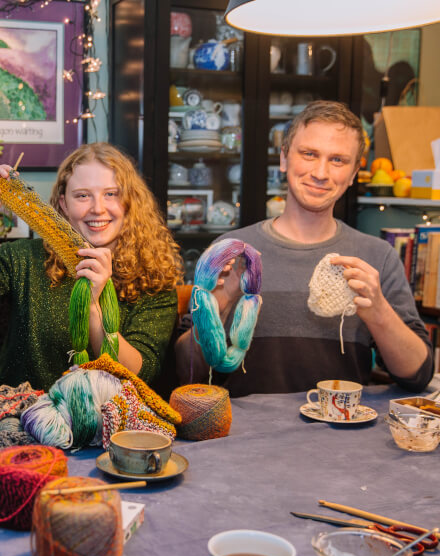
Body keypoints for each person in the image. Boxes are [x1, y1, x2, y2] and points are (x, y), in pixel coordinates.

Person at [176, 100, 432, 396]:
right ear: (284, 158)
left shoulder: (377, 257)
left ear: (353, 174)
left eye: (338, 160)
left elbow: (418, 375)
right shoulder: (231, 252)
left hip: (344, 436)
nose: (321, 172)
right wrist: (216, 311)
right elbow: (186, 371)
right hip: (243, 436)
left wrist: (378, 311)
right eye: (309, 154)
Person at [0, 142, 183, 392]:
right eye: (82, 196)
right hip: (24, 417)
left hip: (113, 424)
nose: (98, 208)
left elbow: (138, 374)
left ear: (129, 203)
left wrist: (93, 305)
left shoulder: (154, 277)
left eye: (111, 194)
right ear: (63, 205)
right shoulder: (24, 259)